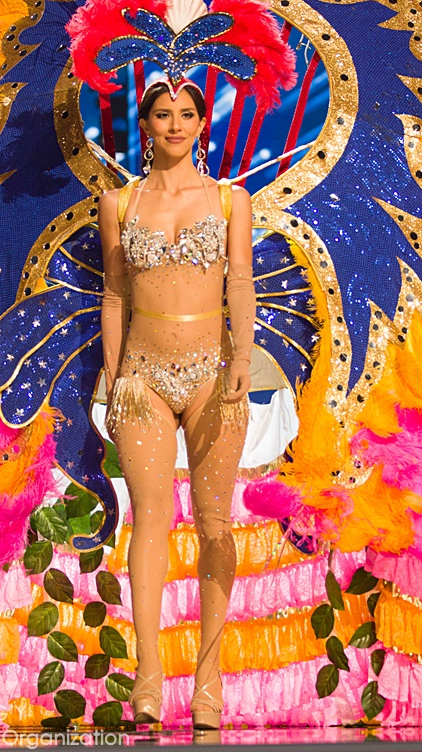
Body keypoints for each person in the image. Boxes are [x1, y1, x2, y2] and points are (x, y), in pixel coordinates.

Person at [97, 78, 256, 730]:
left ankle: (209, 677)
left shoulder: (228, 199)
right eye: (163, 114)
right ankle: (148, 676)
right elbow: (113, 297)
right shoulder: (117, 201)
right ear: (147, 122)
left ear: (200, 123)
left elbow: (240, 283)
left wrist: (242, 359)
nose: (174, 124)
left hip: (213, 376)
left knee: (216, 525)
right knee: (149, 519)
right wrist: (112, 380)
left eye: (186, 114)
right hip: (140, 377)